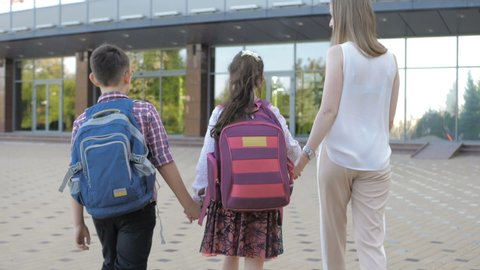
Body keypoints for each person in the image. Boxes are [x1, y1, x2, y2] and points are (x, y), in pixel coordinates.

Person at [69, 43, 201, 270]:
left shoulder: (82, 121)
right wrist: (188, 203)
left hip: (100, 210)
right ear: (128, 75)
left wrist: (78, 223)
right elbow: (163, 160)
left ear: (93, 78)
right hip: (138, 207)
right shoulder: (144, 111)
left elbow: (76, 173)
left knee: (111, 263)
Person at [293, 0, 400, 269]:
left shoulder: (339, 54)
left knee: (334, 241)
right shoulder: (392, 61)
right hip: (376, 163)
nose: (330, 22)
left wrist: (305, 156)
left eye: (332, 16)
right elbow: (388, 120)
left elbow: (328, 111)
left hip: (337, 159)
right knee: (372, 245)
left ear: (343, 16)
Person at [192, 50, 302, 270]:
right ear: (260, 81)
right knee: (254, 259)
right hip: (264, 200)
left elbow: (207, 158)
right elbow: (294, 152)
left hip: (229, 198)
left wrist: (198, 195)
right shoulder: (271, 112)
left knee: (230, 255)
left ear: (231, 78)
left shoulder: (221, 113)